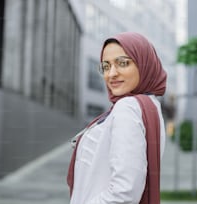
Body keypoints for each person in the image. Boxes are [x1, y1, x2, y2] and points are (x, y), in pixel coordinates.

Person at [67, 32, 167, 204]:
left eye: (123, 63)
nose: (111, 74)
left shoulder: (128, 108)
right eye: (105, 66)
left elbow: (124, 193)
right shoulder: (149, 106)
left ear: (144, 64)